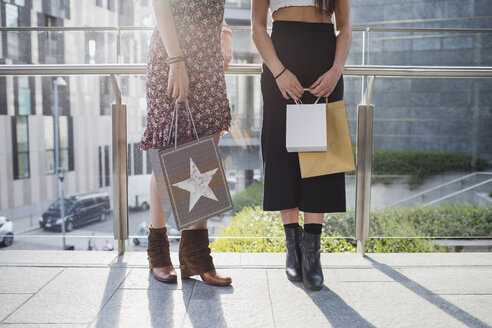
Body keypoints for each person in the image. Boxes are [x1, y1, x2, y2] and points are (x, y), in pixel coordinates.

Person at [252, 0, 352, 290]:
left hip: (325, 66)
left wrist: (336, 71)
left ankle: (312, 253)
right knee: (283, 154)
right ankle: (292, 247)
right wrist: (279, 72)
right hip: (280, 64)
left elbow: (344, 28)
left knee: (320, 155)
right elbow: (257, 27)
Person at [140, 0, 233, 287]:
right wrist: (176, 61)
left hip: (209, 63)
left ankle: (196, 256)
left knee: (205, 157)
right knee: (165, 153)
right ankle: (158, 252)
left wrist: (225, 34)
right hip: (172, 59)